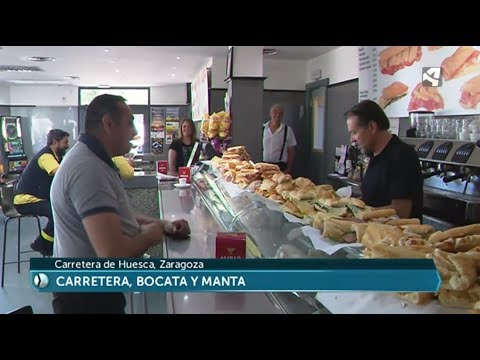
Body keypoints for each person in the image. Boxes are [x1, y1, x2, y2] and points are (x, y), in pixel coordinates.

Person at [50, 94, 190, 314]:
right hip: (86, 299)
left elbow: (112, 217)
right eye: (129, 123)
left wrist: (163, 225)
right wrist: (150, 236)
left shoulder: (94, 161)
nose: (134, 132)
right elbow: (112, 254)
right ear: (108, 123)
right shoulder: (88, 169)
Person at [345, 100, 423, 220]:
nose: (352, 139)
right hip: (372, 234)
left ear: (372, 127)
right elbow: (372, 200)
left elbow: (401, 211)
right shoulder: (373, 155)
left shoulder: (402, 155)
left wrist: (361, 215)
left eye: (354, 132)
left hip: (396, 236)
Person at [14, 129, 70, 256]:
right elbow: (59, 173)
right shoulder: (46, 156)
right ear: (55, 142)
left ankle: (48, 245)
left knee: (62, 209)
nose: (68, 145)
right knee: (58, 212)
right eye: (65, 142)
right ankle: (42, 244)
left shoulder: (57, 157)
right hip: (25, 200)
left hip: (36, 199)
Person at [262, 104, 297, 174]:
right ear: (270, 113)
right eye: (275, 112)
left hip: (280, 167)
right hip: (264, 166)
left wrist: (289, 168)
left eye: (280, 113)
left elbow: (291, 151)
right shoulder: (262, 129)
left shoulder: (287, 130)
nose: (277, 115)